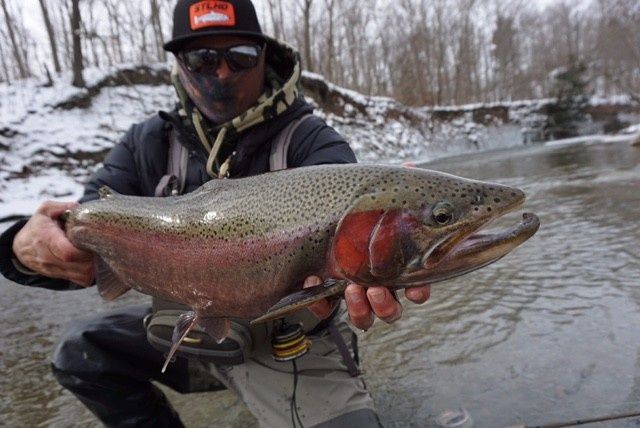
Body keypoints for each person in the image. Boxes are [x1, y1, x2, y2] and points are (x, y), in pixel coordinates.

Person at [0, 0, 431, 426]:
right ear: (179, 64)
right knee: (80, 352)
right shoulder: (145, 144)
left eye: (238, 56)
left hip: (288, 342)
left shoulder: (310, 142)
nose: (221, 72)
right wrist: (20, 246)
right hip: (181, 331)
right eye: (202, 57)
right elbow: (86, 227)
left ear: (265, 56)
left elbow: (353, 205)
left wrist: (393, 217)